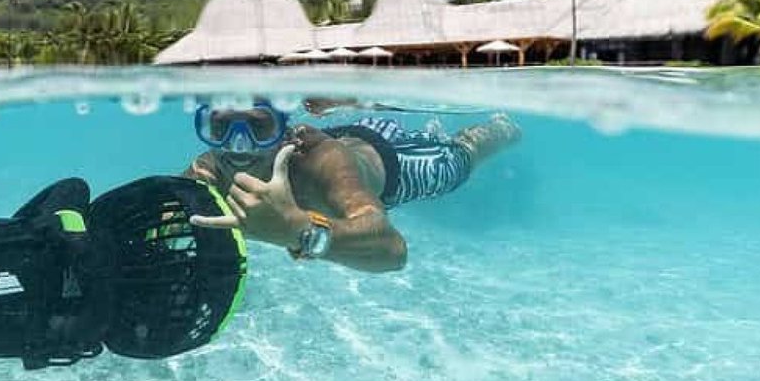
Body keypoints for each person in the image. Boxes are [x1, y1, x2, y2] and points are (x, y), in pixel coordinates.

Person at [181, 99, 521, 273]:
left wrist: (298, 232)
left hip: (402, 168)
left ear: (284, 130)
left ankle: (501, 129)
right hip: (354, 134)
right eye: (220, 127)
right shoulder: (210, 167)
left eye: (259, 128)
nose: (238, 146)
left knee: (459, 160)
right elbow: (172, 206)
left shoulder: (317, 160)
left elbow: (393, 251)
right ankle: (432, 134)